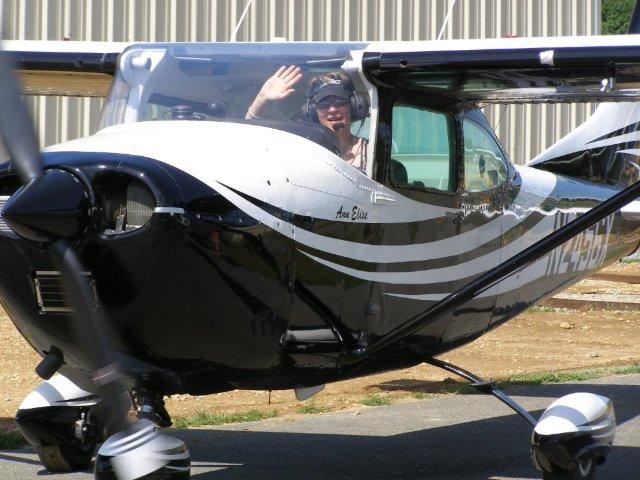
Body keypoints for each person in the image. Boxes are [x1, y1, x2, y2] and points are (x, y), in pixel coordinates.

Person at [246, 66, 368, 171]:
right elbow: (251, 140)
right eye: (324, 104)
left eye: (339, 102)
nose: (332, 109)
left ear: (354, 106)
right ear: (312, 112)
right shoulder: (304, 150)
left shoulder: (371, 149)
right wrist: (261, 99)